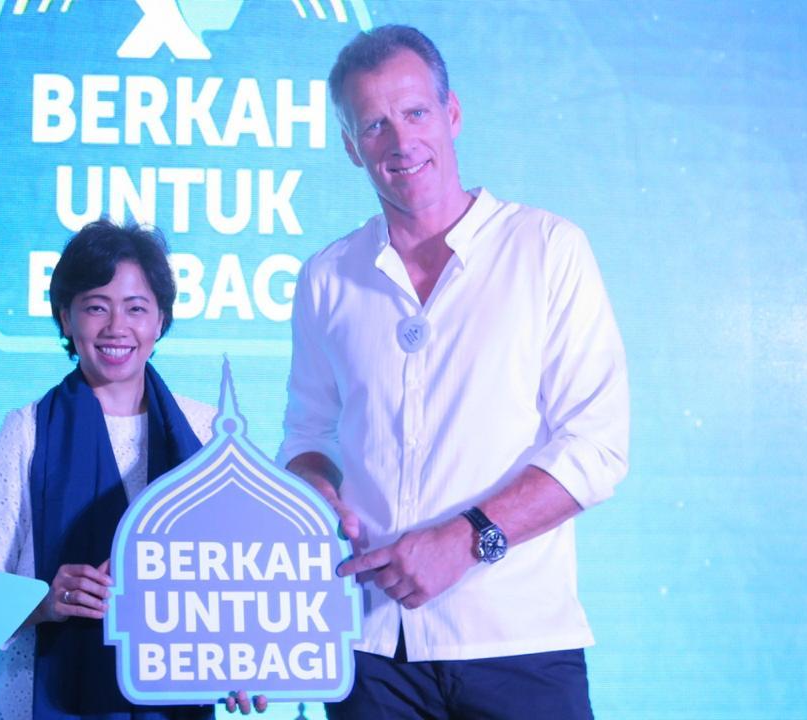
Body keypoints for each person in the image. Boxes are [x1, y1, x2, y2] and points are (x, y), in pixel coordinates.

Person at [280, 26, 629, 719]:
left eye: (415, 113)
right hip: (369, 648)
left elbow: (597, 447)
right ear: (350, 146)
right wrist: (315, 492)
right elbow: (307, 436)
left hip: (517, 640)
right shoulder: (327, 276)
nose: (400, 142)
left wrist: (466, 541)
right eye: (374, 125)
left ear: (453, 113)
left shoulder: (546, 248)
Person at [0, 219, 267, 719]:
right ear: (66, 318)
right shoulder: (25, 433)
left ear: (160, 320)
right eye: (96, 307)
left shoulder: (210, 434)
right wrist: (46, 602)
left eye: (136, 308)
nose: (116, 327)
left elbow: (242, 584)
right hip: (40, 700)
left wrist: (246, 659)